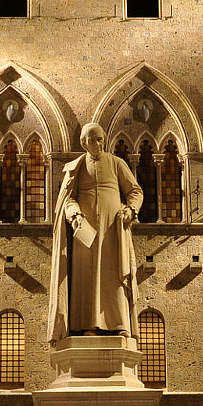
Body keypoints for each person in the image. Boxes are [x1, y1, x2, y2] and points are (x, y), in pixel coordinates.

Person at [47, 123, 144, 341]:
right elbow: (68, 198)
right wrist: (75, 215)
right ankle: (87, 325)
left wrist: (131, 208)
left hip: (112, 229)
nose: (98, 143)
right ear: (84, 143)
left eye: (101, 139)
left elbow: (135, 191)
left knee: (114, 274)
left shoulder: (116, 163)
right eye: (93, 140)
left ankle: (120, 324)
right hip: (85, 232)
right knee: (86, 278)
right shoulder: (77, 167)